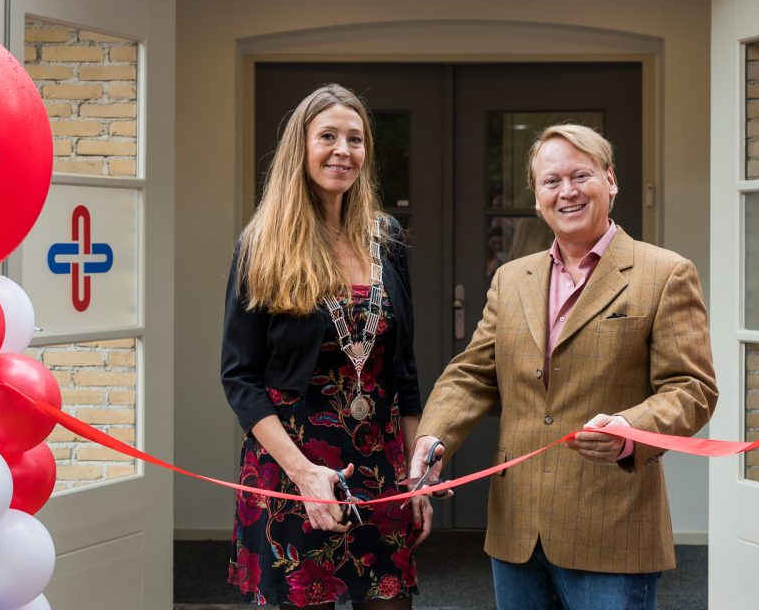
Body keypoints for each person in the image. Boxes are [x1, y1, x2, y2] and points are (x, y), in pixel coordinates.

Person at [411, 124, 718, 610]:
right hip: (516, 530)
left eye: (581, 175)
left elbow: (691, 388)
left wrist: (629, 428)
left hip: (611, 528)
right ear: (537, 198)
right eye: (551, 181)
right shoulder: (511, 278)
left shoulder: (665, 273)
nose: (567, 191)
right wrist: (434, 437)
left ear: (610, 180)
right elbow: (473, 373)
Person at [222, 84, 431, 609]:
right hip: (293, 469)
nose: (343, 150)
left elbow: (404, 373)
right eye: (328, 136)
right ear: (302, 147)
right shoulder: (262, 245)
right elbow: (239, 378)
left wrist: (417, 475)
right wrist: (304, 475)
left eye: (355, 139)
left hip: (380, 466)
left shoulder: (386, 240)